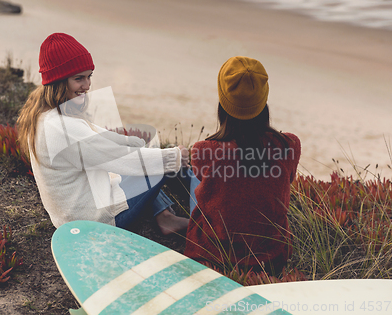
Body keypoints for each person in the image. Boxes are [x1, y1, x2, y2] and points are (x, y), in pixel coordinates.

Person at [17, 33, 189, 235]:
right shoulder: (60, 128)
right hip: (94, 221)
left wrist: (134, 142)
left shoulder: (46, 114)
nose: (87, 85)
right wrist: (174, 156)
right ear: (58, 81)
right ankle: (196, 218)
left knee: (142, 160)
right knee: (156, 165)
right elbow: (122, 159)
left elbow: (97, 136)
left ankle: (165, 217)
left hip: (73, 213)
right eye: (78, 78)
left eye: (89, 76)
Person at [183, 56, 301, 274]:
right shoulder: (290, 145)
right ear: (263, 97)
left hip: (212, 254)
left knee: (196, 181)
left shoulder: (203, 150)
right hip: (270, 258)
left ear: (223, 99)